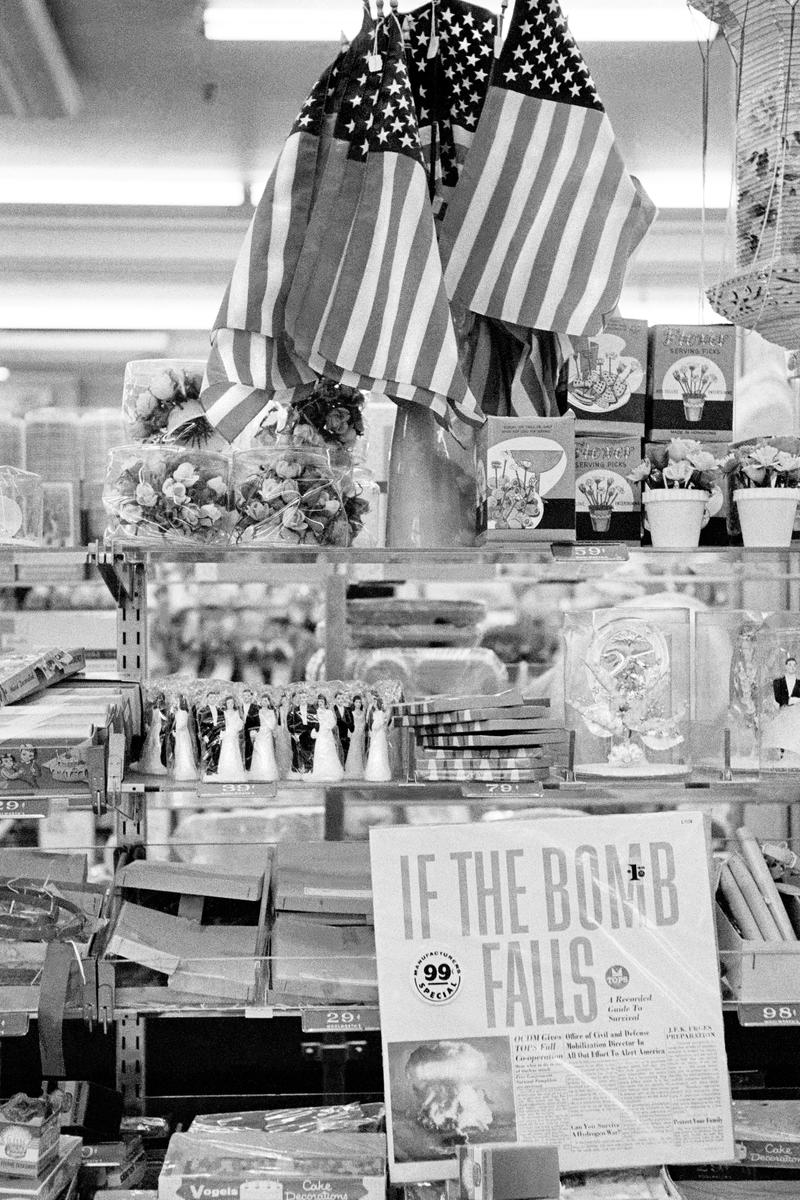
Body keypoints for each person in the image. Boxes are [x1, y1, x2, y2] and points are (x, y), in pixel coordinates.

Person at [764, 655, 800, 761]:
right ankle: (780, 757)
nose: (792, 667)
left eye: (794, 665)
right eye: (790, 665)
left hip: (796, 715)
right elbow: (779, 698)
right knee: (781, 737)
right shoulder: (778, 682)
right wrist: (793, 700)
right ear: (785, 666)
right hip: (782, 714)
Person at [311, 694, 345, 781]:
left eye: (322, 701)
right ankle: (320, 772)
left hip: (327, 735)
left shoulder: (329, 712)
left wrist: (326, 727)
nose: (320, 703)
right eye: (319, 701)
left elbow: (333, 722)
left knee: (329, 751)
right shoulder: (315, 712)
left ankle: (330, 771)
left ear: (325, 703)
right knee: (320, 751)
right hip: (320, 735)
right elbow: (313, 722)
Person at [215, 695, 247, 782]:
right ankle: (225, 772)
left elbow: (240, 724)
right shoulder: (223, 713)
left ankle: (235, 772)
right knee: (226, 751)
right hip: (226, 735)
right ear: (226, 703)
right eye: (228, 703)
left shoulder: (237, 712)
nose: (230, 704)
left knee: (234, 751)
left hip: (234, 735)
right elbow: (221, 724)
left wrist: (236, 727)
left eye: (232, 703)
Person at [249, 694, 279, 782]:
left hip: (267, 735)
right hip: (259, 734)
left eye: (266, 700)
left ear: (269, 702)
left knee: (267, 752)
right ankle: (257, 773)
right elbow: (254, 723)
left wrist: (265, 723)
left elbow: (272, 724)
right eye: (263, 700)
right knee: (258, 752)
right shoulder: (257, 711)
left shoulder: (271, 712)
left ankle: (267, 773)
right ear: (260, 701)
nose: (264, 702)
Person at [287, 689, 317, 775]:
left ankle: (309, 771)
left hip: (309, 734)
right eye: (300, 698)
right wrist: (294, 733)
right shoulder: (294, 710)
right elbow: (290, 724)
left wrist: (314, 731)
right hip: (298, 735)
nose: (302, 699)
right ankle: (297, 772)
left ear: (307, 698)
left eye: (304, 697)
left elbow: (315, 722)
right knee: (297, 753)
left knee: (309, 753)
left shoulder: (312, 709)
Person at [138, 693, 168, 775]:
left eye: (160, 699)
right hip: (154, 727)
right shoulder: (152, 708)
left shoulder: (163, 710)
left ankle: (157, 761)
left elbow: (165, 719)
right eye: (158, 698)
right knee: (151, 743)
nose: (159, 700)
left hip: (159, 728)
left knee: (157, 744)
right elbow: (149, 718)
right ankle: (150, 761)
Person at [196, 689, 224, 776]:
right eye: (211, 697)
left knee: (217, 750)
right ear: (207, 699)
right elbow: (201, 725)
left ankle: (213, 769)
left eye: (214, 698)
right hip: (208, 735)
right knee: (208, 752)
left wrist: (222, 732)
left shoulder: (220, 710)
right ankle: (207, 769)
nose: (213, 699)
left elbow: (223, 722)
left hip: (218, 734)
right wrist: (204, 735)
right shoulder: (202, 711)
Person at [170, 696, 198, 781]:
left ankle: (186, 771)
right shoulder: (177, 712)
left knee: (184, 751)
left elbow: (182, 725)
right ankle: (179, 769)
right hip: (179, 735)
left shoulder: (184, 712)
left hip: (182, 735)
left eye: (178, 702)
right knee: (179, 751)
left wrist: (176, 731)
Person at [364, 698, 392, 782]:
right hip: (375, 736)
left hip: (379, 735)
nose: (374, 704)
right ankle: (373, 773)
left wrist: (374, 726)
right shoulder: (374, 713)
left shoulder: (381, 713)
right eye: (373, 703)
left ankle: (380, 773)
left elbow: (377, 725)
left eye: (375, 703)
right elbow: (372, 725)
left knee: (380, 752)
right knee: (374, 752)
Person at [344, 693, 367, 779]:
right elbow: (350, 723)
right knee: (353, 749)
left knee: (360, 749)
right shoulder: (352, 712)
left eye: (359, 702)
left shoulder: (363, 712)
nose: (358, 704)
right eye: (357, 702)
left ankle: (359, 769)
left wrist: (361, 729)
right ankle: (352, 769)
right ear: (354, 703)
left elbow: (364, 722)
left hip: (360, 732)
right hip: (354, 733)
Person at [274, 690, 294, 779]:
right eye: (283, 699)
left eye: (286, 699)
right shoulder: (279, 709)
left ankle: (289, 770)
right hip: (281, 731)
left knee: (290, 750)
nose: (284, 701)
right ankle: (281, 771)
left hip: (288, 731)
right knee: (281, 751)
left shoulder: (291, 709)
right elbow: (278, 721)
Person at [241, 686, 260, 771]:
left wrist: (255, 730)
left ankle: (248, 768)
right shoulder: (239, 707)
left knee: (249, 749)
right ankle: (241, 767)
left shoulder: (255, 707)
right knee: (240, 748)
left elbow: (257, 720)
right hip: (240, 732)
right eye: (244, 696)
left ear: (251, 696)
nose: (246, 697)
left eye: (248, 695)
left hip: (250, 731)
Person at [333, 691, 354, 763]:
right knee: (337, 753)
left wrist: (351, 730)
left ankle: (344, 767)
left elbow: (351, 722)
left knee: (346, 752)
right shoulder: (333, 709)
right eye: (338, 698)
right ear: (335, 699)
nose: (340, 700)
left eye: (342, 698)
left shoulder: (347, 709)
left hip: (346, 735)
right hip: (337, 735)